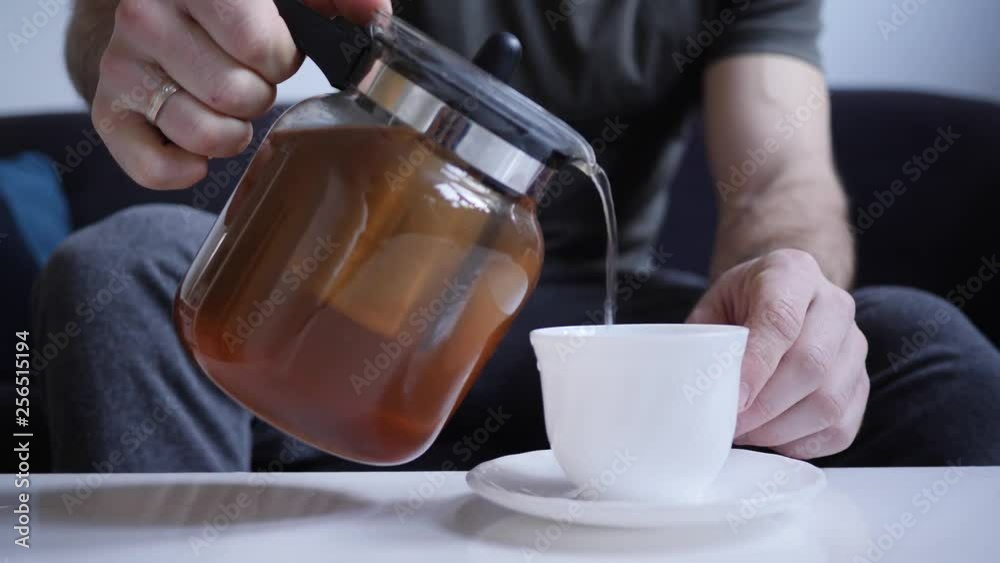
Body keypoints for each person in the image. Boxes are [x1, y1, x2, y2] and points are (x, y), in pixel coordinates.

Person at [39, 0, 999, 472]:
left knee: (924, 345)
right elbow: (108, 31)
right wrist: (144, 27)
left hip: (595, 352)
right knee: (117, 269)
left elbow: (781, 180)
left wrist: (784, 297)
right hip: (319, 313)